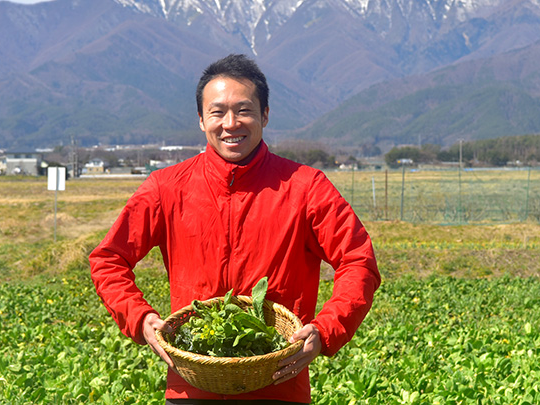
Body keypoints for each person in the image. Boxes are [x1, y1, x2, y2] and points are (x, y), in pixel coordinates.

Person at [89, 54, 380, 404]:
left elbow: (358, 261)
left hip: (279, 384)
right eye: (217, 112)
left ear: (265, 115)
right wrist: (141, 319)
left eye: (243, 110)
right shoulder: (166, 187)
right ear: (200, 120)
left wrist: (326, 329)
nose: (231, 123)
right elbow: (108, 259)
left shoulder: (306, 187)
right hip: (192, 386)